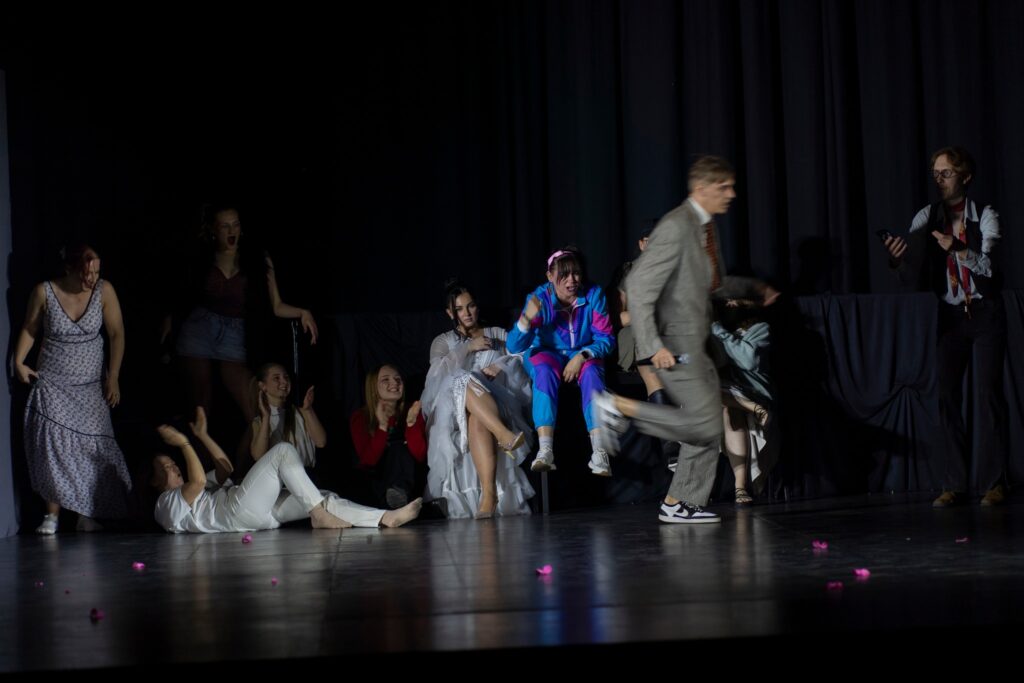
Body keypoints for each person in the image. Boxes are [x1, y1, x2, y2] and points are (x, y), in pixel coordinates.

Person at [593, 155, 777, 523]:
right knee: (706, 423)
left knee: (706, 425)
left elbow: (713, 285)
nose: (732, 194)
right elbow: (639, 285)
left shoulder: (706, 227)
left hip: (697, 340)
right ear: (702, 189)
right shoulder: (676, 226)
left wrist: (752, 289)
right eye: (724, 187)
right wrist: (653, 346)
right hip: (673, 341)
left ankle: (677, 502)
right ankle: (617, 407)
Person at [883, 146, 1007, 507]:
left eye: (946, 173)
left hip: (985, 312)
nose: (939, 180)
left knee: (987, 396)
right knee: (946, 397)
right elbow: (911, 276)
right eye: (935, 173)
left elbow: (991, 270)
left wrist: (959, 249)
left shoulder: (985, 216)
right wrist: (898, 259)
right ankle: (954, 483)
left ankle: (995, 483)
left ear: (965, 177)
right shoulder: (927, 216)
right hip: (950, 315)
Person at [166, 203, 318, 428]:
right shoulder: (203, 257)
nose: (231, 231)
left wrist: (303, 312)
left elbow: (276, 306)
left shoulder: (257, 257)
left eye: (235, 224)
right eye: (225, 226)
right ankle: (199, 451)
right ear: (214, 230)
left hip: (233, 332)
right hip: (200, 329)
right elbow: (184, 296)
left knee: (254, 407)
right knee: (201, 407)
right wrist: (170, 323)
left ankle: (257, 450)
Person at [14, 245, 132, 534]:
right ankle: (52, 515)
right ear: (69, 268)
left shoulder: (104, 291)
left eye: (96, 272)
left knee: (88, 449)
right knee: (53, 446)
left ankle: (83, 514)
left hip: (90, 385)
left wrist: (114, 376)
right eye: (85, 273)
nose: (91, 278)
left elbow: (117, 333)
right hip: (54, 383)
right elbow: (30, 328)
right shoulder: (45, 292)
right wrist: (18, 361)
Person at [153, 408, 421, 533]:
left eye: (173, 463)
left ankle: (385, 517)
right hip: (236, 512)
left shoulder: (192, 491)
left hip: (260, 514)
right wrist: (184, 443)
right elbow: (198, 482)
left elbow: (225, 469)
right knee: (282, 451)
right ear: (154, 481)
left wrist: (202, 436)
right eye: (166, 467)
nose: (174, 467)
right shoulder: (166, 503)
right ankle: (318, 515)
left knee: (322, 497)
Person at [420, 281, 534, 519]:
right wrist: (467, 348)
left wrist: (501, 365)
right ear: (450, 313)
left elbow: (522, 358)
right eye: (459, 309)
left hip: (496, 402)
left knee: (478, 417)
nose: (467, 313)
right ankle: (503, 437)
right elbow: (435, 379)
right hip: (454, 411)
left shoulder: (497, 334)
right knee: (462, 379)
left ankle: (489, 495)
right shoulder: (442, 342)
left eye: (471, 306)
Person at [506, 248, 615, 476]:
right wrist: (526, 319)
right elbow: (514, 346)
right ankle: (545, 450)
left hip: (581, 352)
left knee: (592, 373)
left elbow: (606, 338)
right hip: (546, 352)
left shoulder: (593, 295)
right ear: (550, 276)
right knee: (544, 371)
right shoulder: (539, 299)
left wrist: (582, 356)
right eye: (563, 275)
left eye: (576, 273)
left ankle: (599, 452)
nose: (571, 280)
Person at [349, 365, 427, 509]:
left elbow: (420, 455)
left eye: (398, 379)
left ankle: (399, 495)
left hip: (411, 481)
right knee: (395, 448)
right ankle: (395, 499)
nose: (395, 383)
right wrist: (383, 427)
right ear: (373, 388)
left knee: (400, 449)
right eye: (386, 380)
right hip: (376, 482)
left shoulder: (412, 410)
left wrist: (411, 424)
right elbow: (368, 460)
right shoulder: (361, 417)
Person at [250, 362, 326, 469]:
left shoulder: (302, 412)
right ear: (263, 386)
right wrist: (266, 418)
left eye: (286, 377)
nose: (284, 381)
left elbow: (321, 442)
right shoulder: (260, 421)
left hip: (306, 473)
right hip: (280, 476)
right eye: (276, 378)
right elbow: (258, 456)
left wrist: (308, 409)